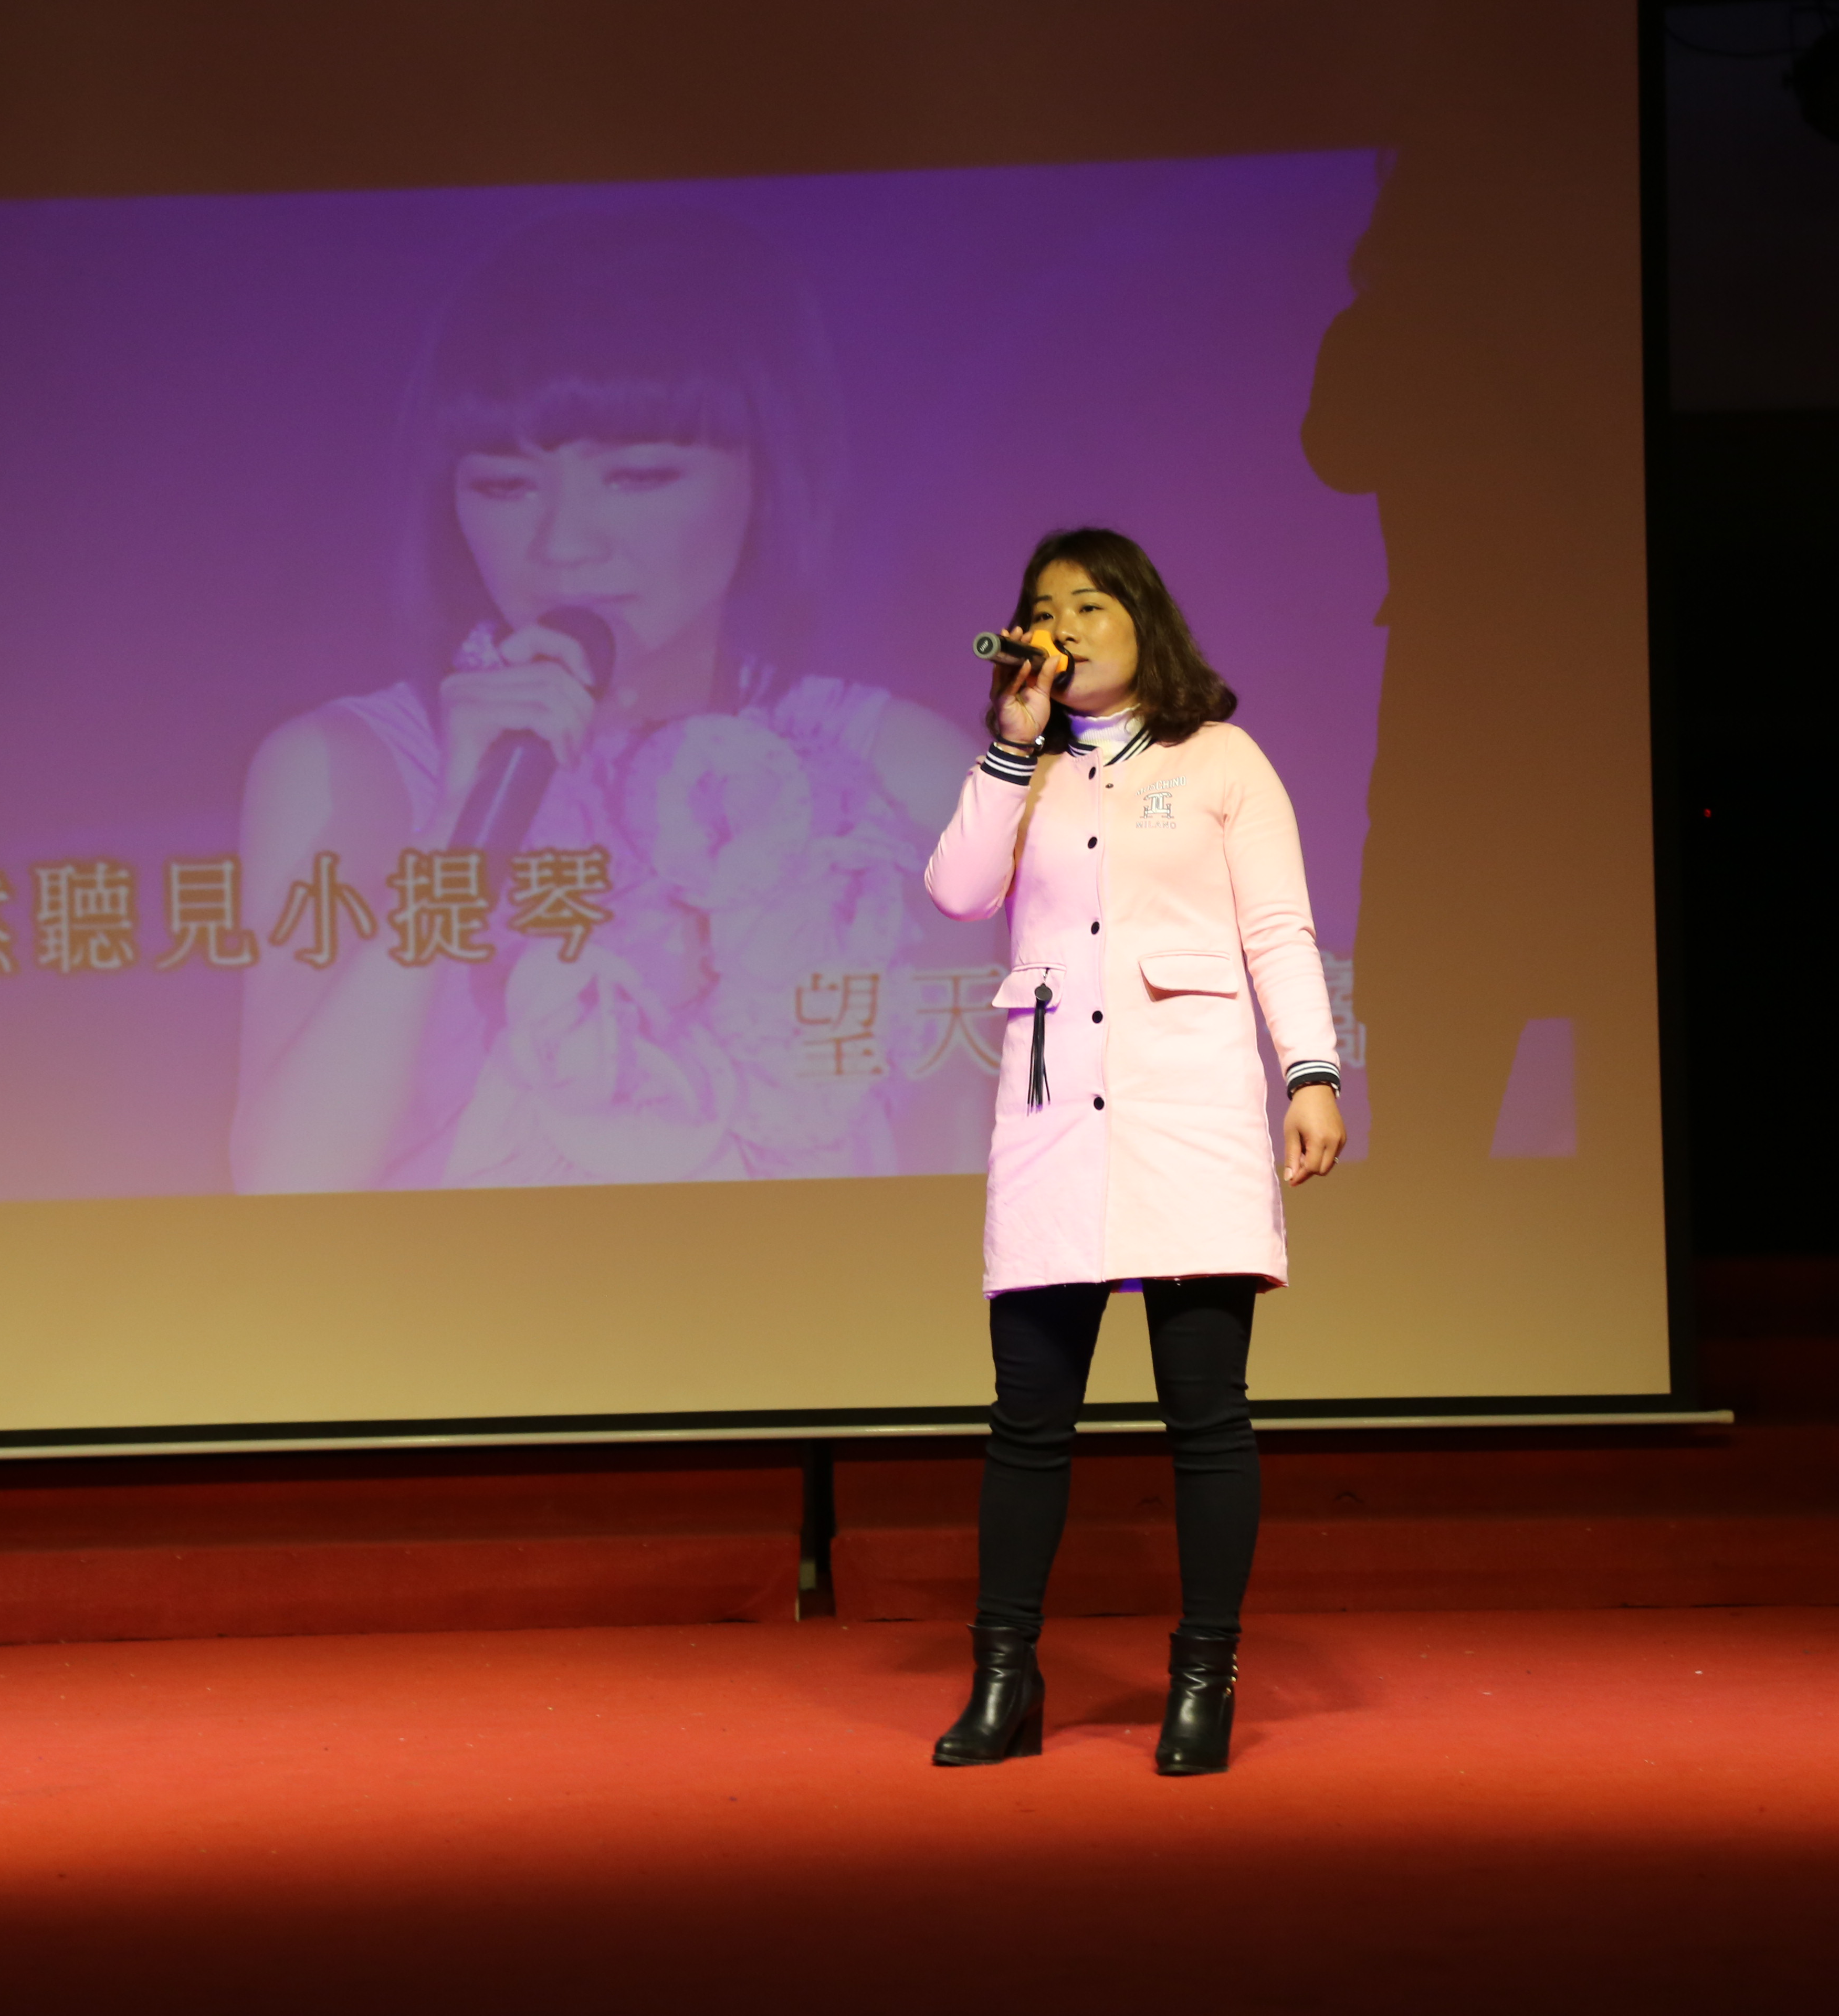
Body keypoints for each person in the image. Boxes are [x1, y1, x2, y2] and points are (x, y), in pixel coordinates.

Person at [232, 209, 993, 1193]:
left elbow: (959, 1167)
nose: (564, 546)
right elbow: (286, 1189)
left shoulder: (905, 774)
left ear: (765, 478)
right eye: (504, 487)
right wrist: (456, 837)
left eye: (637, 478)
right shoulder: (350, 769)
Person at [920, 527, 1347, 1776]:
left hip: (1190, 1111)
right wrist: (1011, 744)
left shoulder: (1220, 759)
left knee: (1206, 1416)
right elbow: (956, 891)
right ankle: (1005, 1679)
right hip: (1056, 1117)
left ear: (1142, 619)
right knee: (1028, 1419)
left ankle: (1203, 1679)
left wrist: (1312, 1072)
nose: (1063, 625)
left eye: (1090, 604)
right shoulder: (1027, 767)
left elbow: (1278, 928)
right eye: (1043, 608)